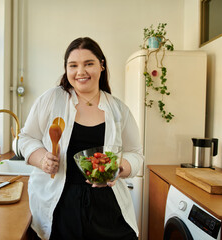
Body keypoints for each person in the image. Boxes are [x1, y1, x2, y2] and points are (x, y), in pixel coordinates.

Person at [18, 37, 144, 240]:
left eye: (89, 64)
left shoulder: (118, 110)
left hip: (108, 207)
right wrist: (41, 159)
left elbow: (137, 154)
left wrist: (119, 167)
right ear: (66, 69)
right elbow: (25, 138)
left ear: (102, 66)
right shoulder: (51, 99)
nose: (80, 72)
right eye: (73, 65)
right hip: (60, 204)